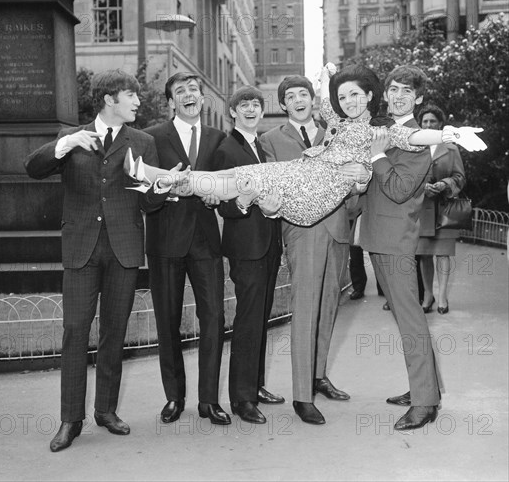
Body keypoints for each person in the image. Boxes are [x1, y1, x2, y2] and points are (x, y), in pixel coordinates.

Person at [24, 69, 185, 452]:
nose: (138, 102)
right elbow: (33, 167)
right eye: (131, 95)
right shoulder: (72, 137)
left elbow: (146, 202)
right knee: (75, 332)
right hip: (81, 249)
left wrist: (161, 186)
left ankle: (106, 410)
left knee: (114, 333)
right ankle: (70, 419)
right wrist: (64, 146)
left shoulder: (143, 141)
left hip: (124, 249)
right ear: (110, 98)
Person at [138, 68, 485, 227]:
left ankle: (169, 182)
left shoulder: (377, 132)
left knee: (244, 176)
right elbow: (326, 101)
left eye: (355, 95)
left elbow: (411, 137)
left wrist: (450, 134)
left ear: (369, 97)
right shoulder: (338, 121)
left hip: (315, 192)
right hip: (305, 176)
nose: (348, 101)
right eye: (343, 95)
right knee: (239, 176)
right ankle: (167, 181)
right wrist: (325, 76)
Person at [259, 74, 369, 425]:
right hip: (301, 232)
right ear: (283, 105)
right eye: (290, 96)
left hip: (337, 230)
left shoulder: (334, 133)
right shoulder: (270, 140)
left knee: (328, 307)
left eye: (303, 93)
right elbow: (269, 185)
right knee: (304, 311)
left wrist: (357, 187)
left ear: (313, 99)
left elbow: (351, 185)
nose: (298, 100)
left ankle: (319, 376)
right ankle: (302, 396)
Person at [358, 64, 444, 431]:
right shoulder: (385, 131)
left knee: (411, 322)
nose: (396, 96)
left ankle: (425, 403)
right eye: (392, 89)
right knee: (404, 318)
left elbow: (396, 189)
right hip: (377, 238)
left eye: (406, 91)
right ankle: (424, 388)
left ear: (418, 98)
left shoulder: (418, 139)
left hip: (395, 243)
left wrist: (376, 158)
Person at [143, 72, 231, 426]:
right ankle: (174, 397)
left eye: (194, 89)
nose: (189, 95)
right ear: (170, 103)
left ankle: (209, 401)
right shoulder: (151, 137)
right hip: (165, 242)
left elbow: (229, 188)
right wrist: (165, 186)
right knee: (168, 321)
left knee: (214, 319)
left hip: (207, 242)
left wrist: (216, 197)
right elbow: (142, 195)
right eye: (180, 91)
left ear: (203, 98)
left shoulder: (217, 139)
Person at [213, 86, 284, 424]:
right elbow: (222, 201)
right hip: (247, 249)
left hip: (268, 244)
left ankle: (255, 385)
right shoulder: (226, 149)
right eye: (244, 105)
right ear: (232, 112)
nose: (251, 109)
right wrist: (242, 202)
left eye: (256, 104)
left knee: (261, 318)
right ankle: (242, 400)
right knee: (247, 322)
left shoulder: (262, 146)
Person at [416, 104, 466, 315]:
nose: (428, 124)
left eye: (432, 121)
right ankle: (428, 295)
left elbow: (460, 177)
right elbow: (406, 177)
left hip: (445, 209)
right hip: (421, 209)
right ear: (420, 124)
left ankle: (443, 295)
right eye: (425, 121)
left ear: (440, 125)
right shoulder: (414, 147)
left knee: (443, 255)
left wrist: (445, 184)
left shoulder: (452, 148)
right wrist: (421, 186)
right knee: (425, 255)